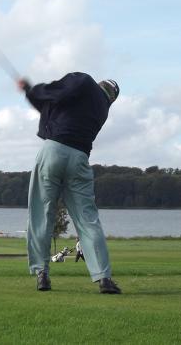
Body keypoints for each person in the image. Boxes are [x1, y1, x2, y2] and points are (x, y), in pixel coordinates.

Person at [18, 71, 121, 294]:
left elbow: (52, 94)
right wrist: (31, 93)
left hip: (53, 150)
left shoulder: (83, 81)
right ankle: (104, 278)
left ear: (100, 84)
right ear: (111, 98)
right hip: (80, 159)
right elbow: (53, 108)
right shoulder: (101, 110)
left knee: (42, 214)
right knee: (88, 220)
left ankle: (42, 274)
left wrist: (30, 90)